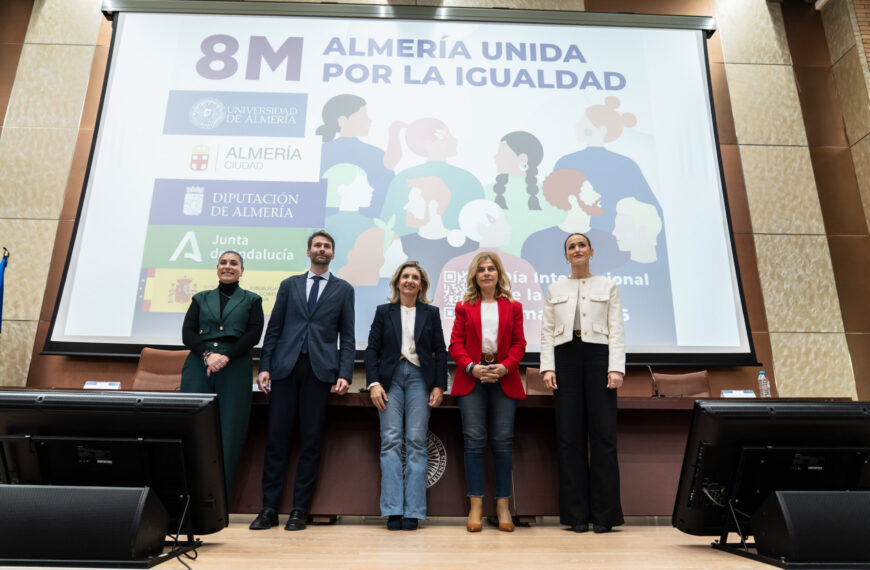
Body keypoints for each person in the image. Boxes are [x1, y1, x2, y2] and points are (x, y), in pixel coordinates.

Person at [249, 231, 355, 531]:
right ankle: (268, 509)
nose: (322, 250)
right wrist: (265, 365)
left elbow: (347, 336)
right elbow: (275, 329)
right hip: (284, 369)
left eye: (327, 246)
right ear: (308, 251)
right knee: (277, 440)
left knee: (310, 442)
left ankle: (299, 510)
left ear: (333, 254)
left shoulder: (344, 289)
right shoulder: (289, 285)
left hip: (320, 373)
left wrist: (345, 373)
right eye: (317, 245)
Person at [540, 233, 626, 534]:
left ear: (591, 251)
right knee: (569, 438)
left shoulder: (608, 286)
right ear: (566, 256)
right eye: (571, 247)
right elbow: (547, 331)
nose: (576, 250)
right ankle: (576, 515)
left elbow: (616, 329)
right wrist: (547, 367)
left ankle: (605, 516)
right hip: (565, 358)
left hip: (598, 357)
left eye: (581, 245)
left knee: (603, 438)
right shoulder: (555, 288)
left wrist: (616, 368)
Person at [364, 261, 448, 531]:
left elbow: (440, 350)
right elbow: (372, 350)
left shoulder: (430, 313)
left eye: (415, 277)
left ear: (421, 284)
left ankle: (412, 510)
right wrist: (374, 382)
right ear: (397, 282)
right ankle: (392, 510)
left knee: (416, 441)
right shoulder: (383, 311)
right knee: (390, 441)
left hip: (419, 379)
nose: (410, 280)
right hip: (389, 381)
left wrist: (439, 385)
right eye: (405, 276)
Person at [448, 252, 526, 533]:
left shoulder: (513, 307)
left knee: (503, 441)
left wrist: (504, 368)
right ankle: (476, 505)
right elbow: (455, 344)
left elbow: (519, 343)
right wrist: (471, 368)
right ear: (475, 276)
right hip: (473, 378)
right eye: (481, 270)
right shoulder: (463, 307)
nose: (486, 273)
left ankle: (503, 505)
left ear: (499, 274)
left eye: (491, 269)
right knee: (474, 440)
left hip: (504, 377)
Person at [181, 250, 264, 504]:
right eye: (223, 262)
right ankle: (189, 499)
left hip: (235, 365)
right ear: (217, 267)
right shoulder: (200, 298)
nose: (228, 267)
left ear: (242, 270)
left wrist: (226, 357)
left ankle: (219, 502)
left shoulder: (252, 299)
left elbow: (253, 335)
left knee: (230, 432)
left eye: (234, 263)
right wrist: (208, 355)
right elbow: (188, 333)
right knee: (191, 429)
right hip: (199, 364)